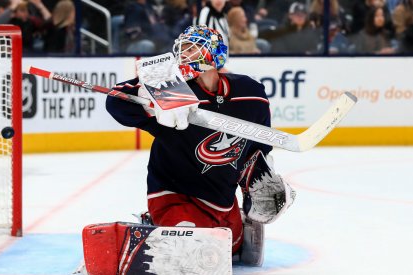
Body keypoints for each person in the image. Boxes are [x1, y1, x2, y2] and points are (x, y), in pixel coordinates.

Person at [105, 24, 295, 265]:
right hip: (174, 195)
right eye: (181, 50)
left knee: (227, 248)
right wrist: (146, 99)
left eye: (192, 48)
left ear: (215, 55)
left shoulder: (251, 94)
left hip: (222, 201)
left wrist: (260, 178)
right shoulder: (170, 90)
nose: (183, 56)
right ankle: (155, 221)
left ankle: (232, 227)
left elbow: (258, 148)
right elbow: (116, 100)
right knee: (193, 252)